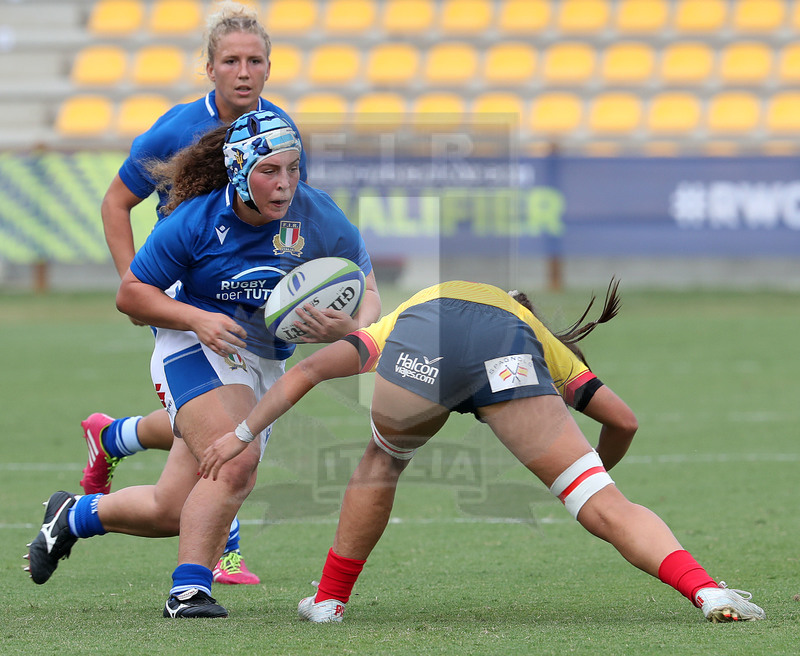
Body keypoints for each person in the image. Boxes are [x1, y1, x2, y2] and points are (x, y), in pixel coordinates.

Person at [198, 279, 766, 625]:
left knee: (382, 460)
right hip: (508, 361)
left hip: (423, 346)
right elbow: (625, 421)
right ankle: (705, 589)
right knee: (601, 500)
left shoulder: (418, 305)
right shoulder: (536, 336)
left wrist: (241, 435)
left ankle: (328, 602)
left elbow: (310, 371)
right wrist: (593, 474)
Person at [24, 110, 381, 619]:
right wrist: (196, 319)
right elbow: (131, 295)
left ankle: (74, 516)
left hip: (264, 361)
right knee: (237, 461)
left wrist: (351, 327)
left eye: (293, 168)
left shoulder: (317, 213)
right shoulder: (195, 221)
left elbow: (367, 288)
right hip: (192, 343)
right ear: (239, 171)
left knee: (173, 508)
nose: (285, 184)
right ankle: (188, 592)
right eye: (269, 171)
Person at [80, 0, 310, 585]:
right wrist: (135, 282)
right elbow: (115, 203)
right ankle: (220, 552)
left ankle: (113, 436)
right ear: (209, 68)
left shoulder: (281, 130)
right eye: (230, 61)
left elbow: (292, 216)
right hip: (188, 294)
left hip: (249, 298)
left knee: (208, 418)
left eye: (254, 61)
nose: (243, 72)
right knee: (230, 418)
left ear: (269, 67)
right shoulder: (177, 129)